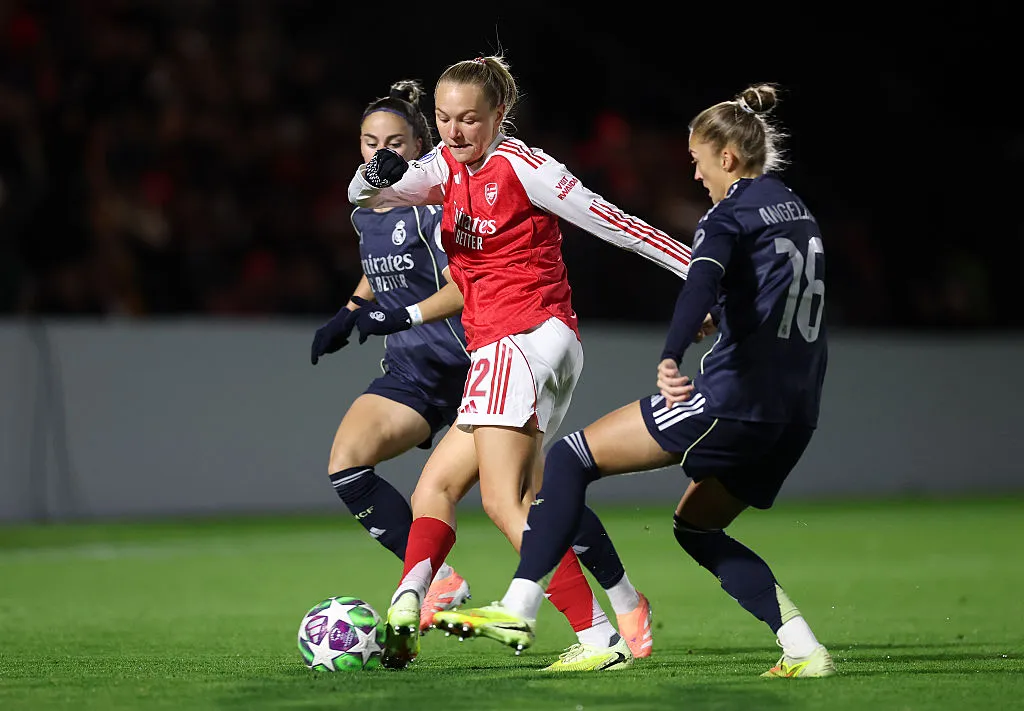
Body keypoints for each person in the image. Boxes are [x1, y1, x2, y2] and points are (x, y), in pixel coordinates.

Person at [433, 83, 838, 679]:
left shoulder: (728, 214)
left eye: (699, 162)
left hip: (731, 398)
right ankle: (805, 650)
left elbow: (699, 282)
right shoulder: (799, 212)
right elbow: (765, 298)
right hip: (796, 414)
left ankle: (520, 606)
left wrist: (673, 352)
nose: (698, 176)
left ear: (727, 158)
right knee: (696, 528)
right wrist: (727, 315)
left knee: (569, 460)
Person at [349, 55, 692, 671]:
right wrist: (381, 168)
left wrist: (697, 276)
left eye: (469, 120)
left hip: (525, 336)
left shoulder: (525, 167)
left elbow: (615, 224)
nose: (454, 133)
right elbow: (365, 194)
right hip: (516, 345)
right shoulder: (443, 165)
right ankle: (411, 600)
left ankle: (594, 637)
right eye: (444, 119)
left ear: (499, 115)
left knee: (503, 501)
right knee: (444, 486)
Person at [311, 79, 472, 630]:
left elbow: (465, 287)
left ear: (421, 148)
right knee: (347, 463)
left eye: (395, 143)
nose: (380, 153)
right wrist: (350, 309)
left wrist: (401, 316)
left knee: (520, 502)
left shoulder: (434, 206)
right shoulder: (364, 208)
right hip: (412, 369)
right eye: (369, 141)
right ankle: (437, 579)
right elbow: (382, 267)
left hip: (476, 365)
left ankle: (609, 604)